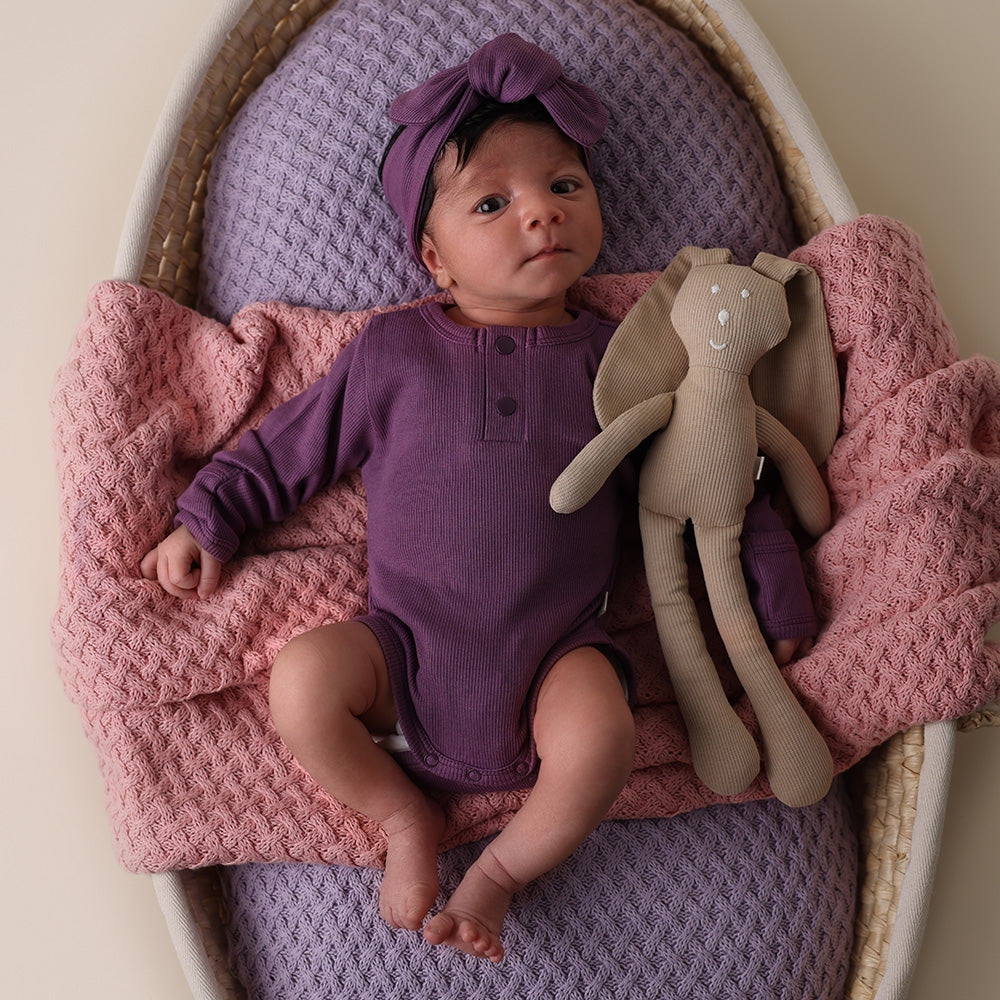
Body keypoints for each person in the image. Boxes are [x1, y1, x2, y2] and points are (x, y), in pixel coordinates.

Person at [140, 35, 816, 963]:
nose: (539, 213)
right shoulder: (392, 353)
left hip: (557, 654)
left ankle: (499, 873)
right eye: (493, 203)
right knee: (302, 682)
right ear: (434, 255)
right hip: (403, 652)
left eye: (564, 186)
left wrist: (774, 586)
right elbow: (293, 445)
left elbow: (711, 476)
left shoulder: (627, 358)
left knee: (599, 738)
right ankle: (403, 815)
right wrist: (207, 515)